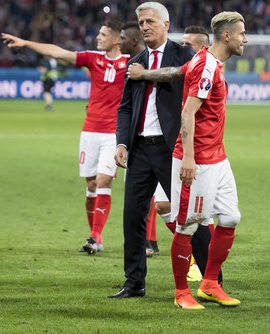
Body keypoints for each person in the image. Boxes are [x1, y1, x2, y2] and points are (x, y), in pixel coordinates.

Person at [2, 20, 128, 254]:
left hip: (113, 133)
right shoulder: (92, 58)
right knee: (91, 184)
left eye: (103, 34)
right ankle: (96, 239)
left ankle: (95, 235)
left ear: (117, 39)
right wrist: (26, 43)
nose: (98, 37)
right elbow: (57, 52)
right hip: (90, 131)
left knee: (103, 181)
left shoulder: (130, 63)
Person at [164, 11, 248, 310]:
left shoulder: (208, 61)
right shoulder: (207, 66)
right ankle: (181, 292)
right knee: (188, 225)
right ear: (227, 36)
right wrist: (188, 157)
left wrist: (145, 74)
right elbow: (188, 112)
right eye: (241, 33)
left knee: (230, 217)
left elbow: (176, 73)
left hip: (218, 157)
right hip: (197, 160)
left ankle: (210, 284)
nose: (245, 39)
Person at [111, 2, 194, 299]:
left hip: (172, 150)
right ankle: (134, 283)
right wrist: (121, 142)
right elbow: (124, 108)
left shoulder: (184, 55)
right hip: (140, 150)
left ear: (166, 24)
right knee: (132, 218)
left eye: (150, 21)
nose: (144, 26)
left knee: (190, 215)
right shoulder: (136, 61)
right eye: (141, 22)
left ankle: (212, 280)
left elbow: (185, 83)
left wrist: (145, 75)